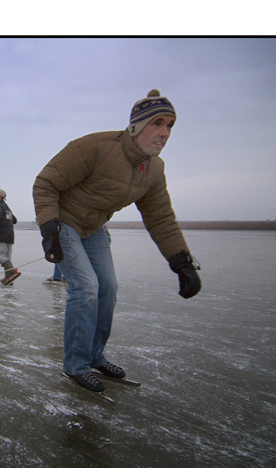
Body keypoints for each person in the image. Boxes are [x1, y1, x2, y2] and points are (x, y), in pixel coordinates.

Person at [33, 89, 201, 393]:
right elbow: (46, 183)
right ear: (136, 126)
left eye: (170, 125)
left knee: (108, 287)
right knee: (86, 288)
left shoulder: (154, 169)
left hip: (94, 227)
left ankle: (95, 355)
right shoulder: (95, 147)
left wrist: (182, 261)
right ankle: (75, 364)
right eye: (158, 123)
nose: (164, 133)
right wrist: (49, 228)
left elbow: (160, 216)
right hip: (64, 222)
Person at [0, 189, 20, 285]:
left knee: (0, 256)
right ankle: (8, 279)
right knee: (7, 257)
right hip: (10, 236)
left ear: (0, 197)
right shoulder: (6, 208)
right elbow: (14, 220)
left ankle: (12, 273)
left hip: (2, 235)